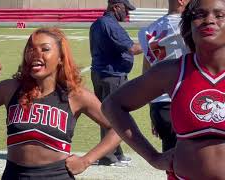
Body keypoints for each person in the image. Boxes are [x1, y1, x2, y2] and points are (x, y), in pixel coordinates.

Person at [0, 27, 121, 179]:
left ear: (61, 58)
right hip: (14, 175)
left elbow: (119, 128)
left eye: (45, 49)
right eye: (31, 49)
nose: (36, 54)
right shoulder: (11, 88)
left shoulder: (75, 95)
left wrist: (86, 160)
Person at [102, 0, 225, 179]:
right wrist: (153, 157)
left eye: (219, 15)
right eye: (199, 15)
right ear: (188, 25)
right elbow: (112, 105)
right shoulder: (172, 72)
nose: (209, 20)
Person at [89, 0, 143, 166]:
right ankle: (108, 155)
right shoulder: (109, 24)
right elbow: (133, 49)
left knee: (110, 115)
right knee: (112, 115)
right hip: (111, 76)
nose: (127, 13)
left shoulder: (98, 23)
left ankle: (115, 152)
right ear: (116, 6)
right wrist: (153, 42)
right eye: (126, 9)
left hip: (101, 73)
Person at [138, 0, 190, 153]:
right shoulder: (190, 26)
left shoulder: (148, 31)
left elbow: (146, 75)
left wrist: (153, 109)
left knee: (170, 160)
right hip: (184, 100)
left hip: (160, 105)